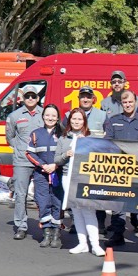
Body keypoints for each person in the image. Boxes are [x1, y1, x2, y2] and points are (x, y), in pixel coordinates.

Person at [103, 90, 138, 248]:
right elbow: (107, 143)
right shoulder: (113, 121)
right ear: (121, 104)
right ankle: (118, 235)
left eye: (130, 102)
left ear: (135, 103)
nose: (128, 105)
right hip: (119, 169)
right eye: (125, 102)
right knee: (118, 204)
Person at [56, 108, 105, 256]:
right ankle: (82, 244)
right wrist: (66, 154)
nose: (76, 121)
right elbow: (56, 160)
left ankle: (95, 245)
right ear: (70, 120)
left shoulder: (91, 138)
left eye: (79, 119)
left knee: (88, 210)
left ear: (84, 121)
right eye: (74, 119)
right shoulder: (63, 139)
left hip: (85, 179)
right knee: (76, 212)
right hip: (68, 178)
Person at [5, 88, 44, 240]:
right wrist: (21, 148)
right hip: (22, 161)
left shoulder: (44, 113)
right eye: (27, 96)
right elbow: (10, 137)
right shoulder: (14, 116)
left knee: (43, 196)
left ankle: (46, 225)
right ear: (22, 98)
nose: (30, 99)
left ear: (37, 98)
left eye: (33, 96)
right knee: (21, 195)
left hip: (41, 161)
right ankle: (21, 226)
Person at [26, 104, 65, 249]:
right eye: (48, 115)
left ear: (58, 118)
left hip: (58, 173)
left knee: (57, 202)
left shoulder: (63, 134)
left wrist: (55, 165)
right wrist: (43, 165)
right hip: (41, 174)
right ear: (43, 116)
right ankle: (46, 233)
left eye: (54, 116)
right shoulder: (36, 133)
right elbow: (29, 153)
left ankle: (56, 234)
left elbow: (65, 153)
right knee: (43, 202)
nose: (50, 118)